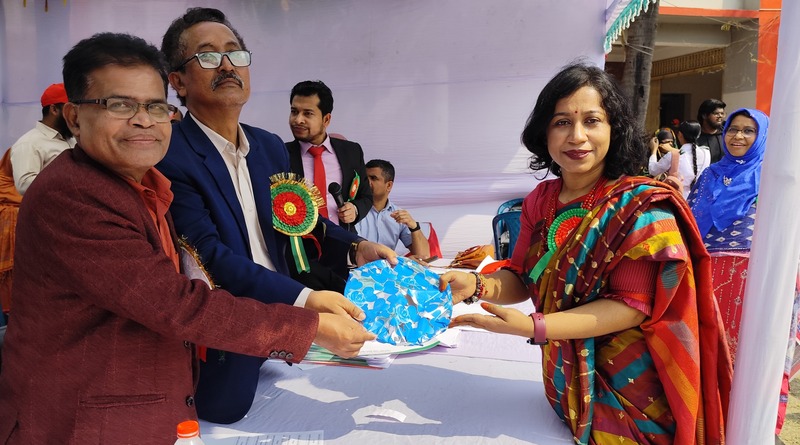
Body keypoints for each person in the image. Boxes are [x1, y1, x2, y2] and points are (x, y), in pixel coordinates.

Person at [0, 32, 375, 444]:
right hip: (87, 422)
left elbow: (289, 224)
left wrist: (350, 248)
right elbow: (176, 302)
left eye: (154, 107)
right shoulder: (75, 196)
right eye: (119, 105)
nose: (143, 120)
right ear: (73, 117)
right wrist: (307, 325)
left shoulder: (149, 183)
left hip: (173, 392)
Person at [443, 63, 732, 444]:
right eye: (562, 122)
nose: (577, 136)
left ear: (614, 129)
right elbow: (522, 277)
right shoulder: (540, 200)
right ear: (544, 132)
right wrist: (478, 284)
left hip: (631, 389)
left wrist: (534, 328)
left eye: (592, 121)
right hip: (564, 380)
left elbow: (631, 305)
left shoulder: (640, 208)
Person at [156, 7, 397, 424]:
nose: (228, 65)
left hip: (286, 335)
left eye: (236, 53)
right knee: (231, 414)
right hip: (230, 339)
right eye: (209, 56)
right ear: (177, 80)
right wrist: (305, 303)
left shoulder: (268, 146)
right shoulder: (171, 152)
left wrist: (356, 246)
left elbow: (298, 220)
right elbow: (209, 255)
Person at [689, 108, 799, 433]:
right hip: (707, 277)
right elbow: (691, 228)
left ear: (762, 136)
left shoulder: (774, 178)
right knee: (708, 356)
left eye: (748, 131)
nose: (738, 136)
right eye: (733, 129)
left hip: (753, 282)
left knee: (754, 359)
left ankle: (754, 431)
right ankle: (711, 427)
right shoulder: (708, 176)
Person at [9, 83, 76, 195]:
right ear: (54, 110)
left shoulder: (73, 139)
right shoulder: (29, 143)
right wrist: (66, 179)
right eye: (69, 110)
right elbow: (24, 185)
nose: (75, 115)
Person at [355, 159, 430, 258]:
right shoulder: (353, 210)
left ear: (389, 185)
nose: (367, 182)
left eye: (373, 178)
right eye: (365, 178)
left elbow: (423, 256)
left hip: (388, 271)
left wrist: (414, 226)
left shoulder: (397, 214)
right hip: (356, 271)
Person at [648, 120, 711, 198]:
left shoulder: (673, 155)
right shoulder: (706, 153)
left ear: (680, 135)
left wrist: (653, 151)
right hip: (699, 199)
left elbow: (653, 170)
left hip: (679, 199)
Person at [696, 98, 726, 164]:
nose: (720, 116)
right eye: (716, 113)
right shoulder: (695, 136)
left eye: (722, 113)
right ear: (704, 115)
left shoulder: (727, 134)